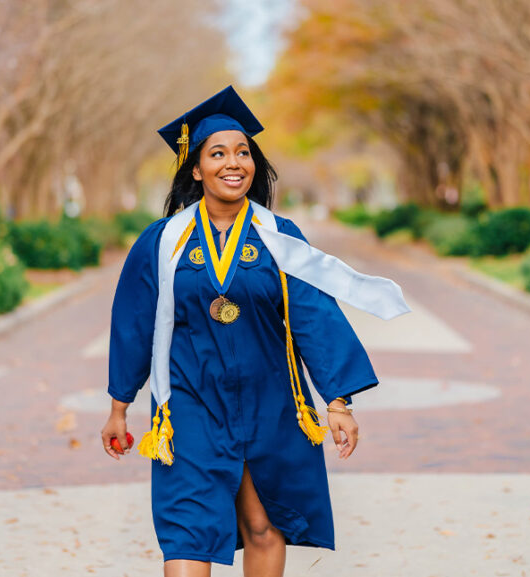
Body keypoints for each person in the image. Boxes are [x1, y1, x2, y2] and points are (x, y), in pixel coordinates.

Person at [101, 86, 409, 577]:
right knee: (188, 531)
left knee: (264, 525)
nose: (234, 162)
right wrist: (119, 407)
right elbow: (132, 324)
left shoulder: (279, 236)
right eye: (217, 153)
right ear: (195, 168)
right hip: (190, 402)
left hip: (272, 402)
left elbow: (314, 315)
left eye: (243, 152)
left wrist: (338, 403)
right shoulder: (161, 243)